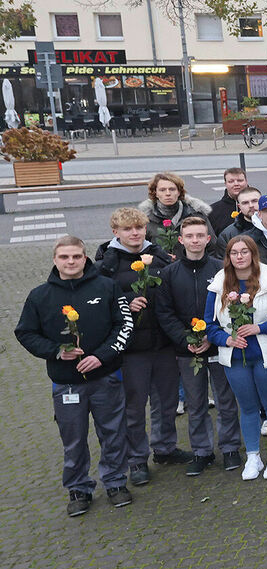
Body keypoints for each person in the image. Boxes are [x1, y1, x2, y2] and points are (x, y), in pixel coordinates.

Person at [16, 236, 134, 515]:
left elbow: (124, 325)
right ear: (55, 260)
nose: (71, 262)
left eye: (76, 257)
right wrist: (56, 351)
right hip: (66, 383)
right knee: (73, 438)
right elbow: (25, 333)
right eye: (65, 257)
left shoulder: (107, 287)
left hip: (106, 377)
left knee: (113, 433)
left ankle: (116, 482)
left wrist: (101, 356)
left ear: (85, 258)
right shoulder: (39, 296)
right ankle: (79, 488)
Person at [96, 206, 184, 484]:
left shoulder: (159, 255)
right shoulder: (106, 263)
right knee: (134, 407)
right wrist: (126, 303)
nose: (134, 233)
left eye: (139, 228)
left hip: (163, 343)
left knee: (167, 402)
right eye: (127, 229)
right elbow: (100, 303)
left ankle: (165, 447)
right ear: (116, 232)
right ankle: (136, 459)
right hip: (132, 349)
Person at [153, 216, 243, 474]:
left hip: (219, 348)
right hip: (186, 351)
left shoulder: (222, 270)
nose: (195, 240)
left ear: (208, 239)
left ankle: (229, 448)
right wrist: (185, 340)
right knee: (196, 403)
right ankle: (202, 451)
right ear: (181, 240)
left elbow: (229, 307)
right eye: (189, 236)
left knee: (226, 401)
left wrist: (211, 336)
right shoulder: (169, 274)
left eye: (199, 236)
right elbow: (165, 313)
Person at [206, 235, 267, 481]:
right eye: (234, 252)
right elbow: (210, 325)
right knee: (247, 408)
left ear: (253, 254)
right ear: (228, 256)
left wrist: (259, 328)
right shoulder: (219, 284)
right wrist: (227, 340)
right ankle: (253, 456)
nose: (240, 256)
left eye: (244, 251)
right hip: (235, 357)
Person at [137, 172, 212, 247]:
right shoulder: (146, 219)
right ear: (155, 193)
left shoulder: (196, 215)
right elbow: (139, 248)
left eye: (172, 189)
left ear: (179, 192)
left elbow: (212, 247)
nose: (168, 193)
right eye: (162, 190)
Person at [210, 166, 249, 235]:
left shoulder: (259, 205)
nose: (236, 184)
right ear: (225, 184)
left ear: (246, 181)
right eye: (231, 181)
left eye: (240, 180)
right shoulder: (213, 211)